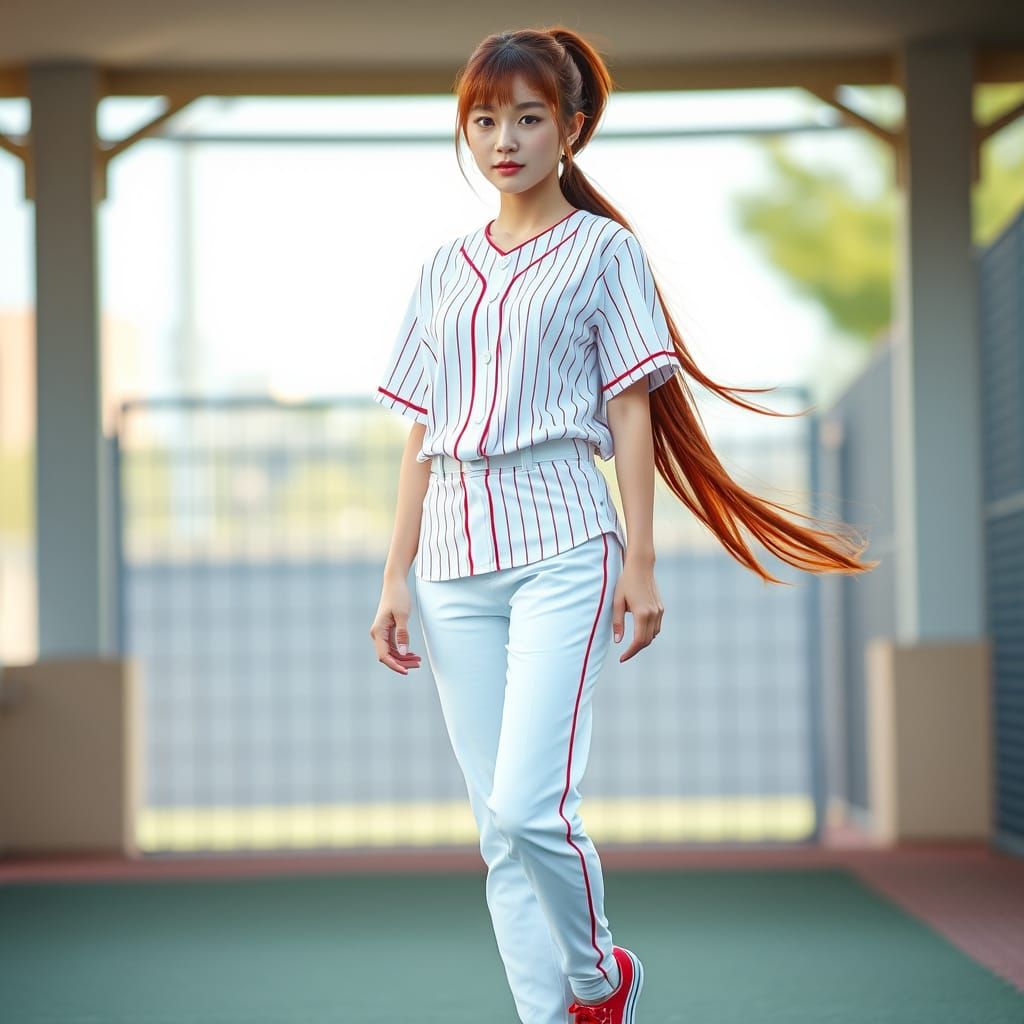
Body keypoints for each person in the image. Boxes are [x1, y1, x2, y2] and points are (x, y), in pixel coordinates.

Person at [369, 25, 877, 1024]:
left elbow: (633, 406)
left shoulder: (605, 252)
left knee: (530, 807)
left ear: (571, 126)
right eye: (482, 119)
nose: (502, 139)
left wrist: (641, 560)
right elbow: (420, 430)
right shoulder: (440, 268)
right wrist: (394, 575)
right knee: (496, 831)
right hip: (451, 561)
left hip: (564, 540)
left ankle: (602, 979)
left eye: (525, 116)